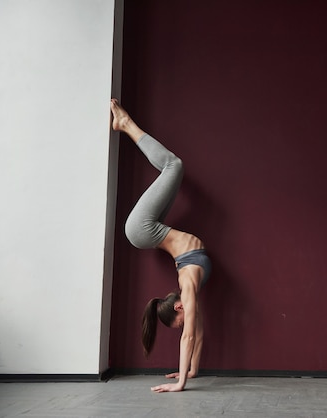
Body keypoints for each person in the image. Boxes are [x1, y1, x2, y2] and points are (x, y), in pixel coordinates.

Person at [110, 98, 211, 393]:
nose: (185, 323)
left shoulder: (187, 284)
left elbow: (189, 337)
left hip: (143, 230)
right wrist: (189, 373)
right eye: (182, 323)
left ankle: (125, 124)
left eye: (179, 321)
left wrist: (179, 383)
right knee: (174, 167)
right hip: (151, 229)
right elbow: (198, 335)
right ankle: (124, 124)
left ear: (178, 306)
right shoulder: (190, 288)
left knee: (173, 166)